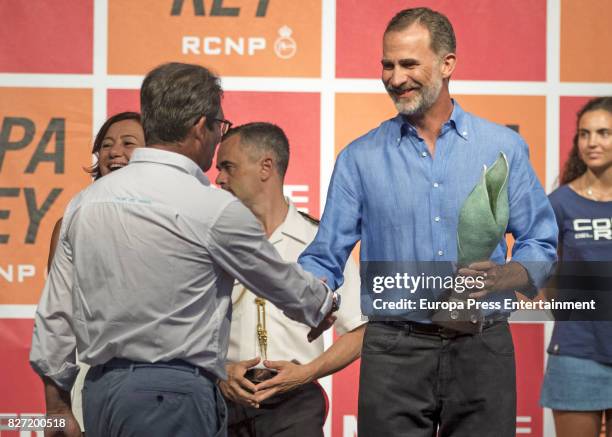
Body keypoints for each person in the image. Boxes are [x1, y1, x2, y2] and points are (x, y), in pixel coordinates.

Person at [30, 62, 338, 437]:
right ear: (199, 127)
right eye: (219, 127)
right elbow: (280, 281)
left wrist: (58, 407)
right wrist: (319, 305)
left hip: (101, 395)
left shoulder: (85, 203)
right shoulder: (210, 207)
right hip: (173, 397)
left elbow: (55, 315)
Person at [298, 7, 558, 437]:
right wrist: (309, 297)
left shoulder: (504, 147)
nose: (395, 78)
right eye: (387, 64)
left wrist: (505, 274)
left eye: (409, 64)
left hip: (483, 345)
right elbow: (325, 255)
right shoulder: (358, 159)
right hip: (392, 351)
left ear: (447, 64)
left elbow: (541, 244)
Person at [214, 122, 366, 437]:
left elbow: (361, 329)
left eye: (228, 167)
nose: (218, 178)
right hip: (223, 402)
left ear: (265, 167)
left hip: (295, 405)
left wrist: (306, 373)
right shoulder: (212, 242)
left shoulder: (321, 242)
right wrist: (218, 373)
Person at [46, 111, 145, 434]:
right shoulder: (71, 224)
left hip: (163, 393)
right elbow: (57, 320)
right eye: (106, 145)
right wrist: (57, 408)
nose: (114, 152)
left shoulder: (179, 220)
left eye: (128, 143)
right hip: (91, 386)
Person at [540, 97, 612, 437]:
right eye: (584, 134)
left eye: (603, 132)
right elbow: (548, 284)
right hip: (577, 353)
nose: (592, 142)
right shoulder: (559, 203)